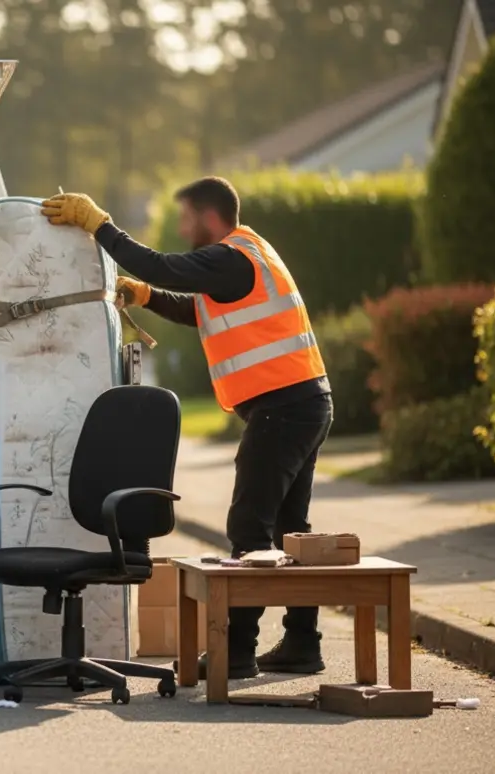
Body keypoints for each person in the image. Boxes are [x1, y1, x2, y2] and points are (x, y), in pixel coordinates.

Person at [41, 177, 333, 680]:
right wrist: (147, 296)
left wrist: (100, 225)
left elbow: (160, 264)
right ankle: (303, 643)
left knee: (249, 529)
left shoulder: (229, 257)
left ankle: (236, 652)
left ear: (209, 217)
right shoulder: (250, 254)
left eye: (186, 218)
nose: (181, 228)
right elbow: (199, 310)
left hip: (284, 409)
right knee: (290, 531)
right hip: (304, 402)